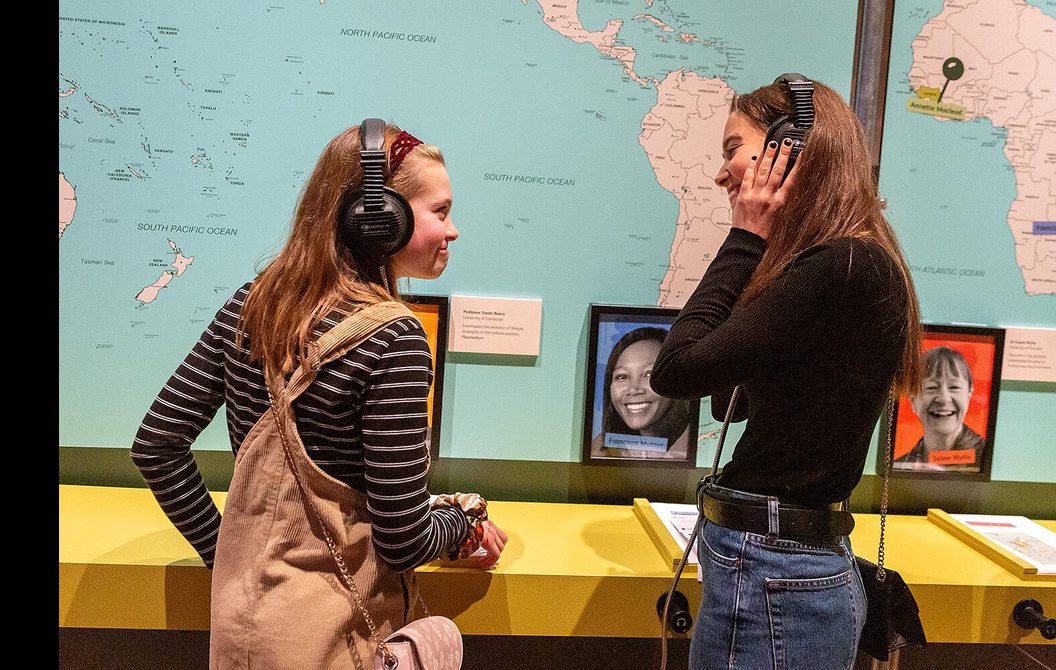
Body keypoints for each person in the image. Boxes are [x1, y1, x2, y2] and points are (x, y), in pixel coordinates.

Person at [131, 120, 507, 667]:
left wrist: (230, 559)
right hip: (334, 638)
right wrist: (463, 524)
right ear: (379, 218)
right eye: (441, 212)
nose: (453, 231)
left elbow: (157, 445)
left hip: (244, 629)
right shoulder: (394, 337)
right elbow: (401, 539)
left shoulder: (251, 304)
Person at [651, 75, 923, 670]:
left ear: (790, 151)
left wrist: (746, 238)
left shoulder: (844, 266)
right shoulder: (836, 264)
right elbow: (730, 404)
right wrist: (761, 263)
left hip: (777, 571)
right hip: (770, 564)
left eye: (732, 150)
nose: (722, 173)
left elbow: (675, 370)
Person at [591, 327, 692, 461]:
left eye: (648, 374)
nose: (633, 389)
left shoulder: (697, 444)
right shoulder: (599, 450)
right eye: (622, 376)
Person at [895, 346, 984, 471]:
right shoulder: (900, 466)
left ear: (969, 395)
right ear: (913, 399)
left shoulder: (984, 457)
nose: (944, 399)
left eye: (954, 387)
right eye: (931, 387)